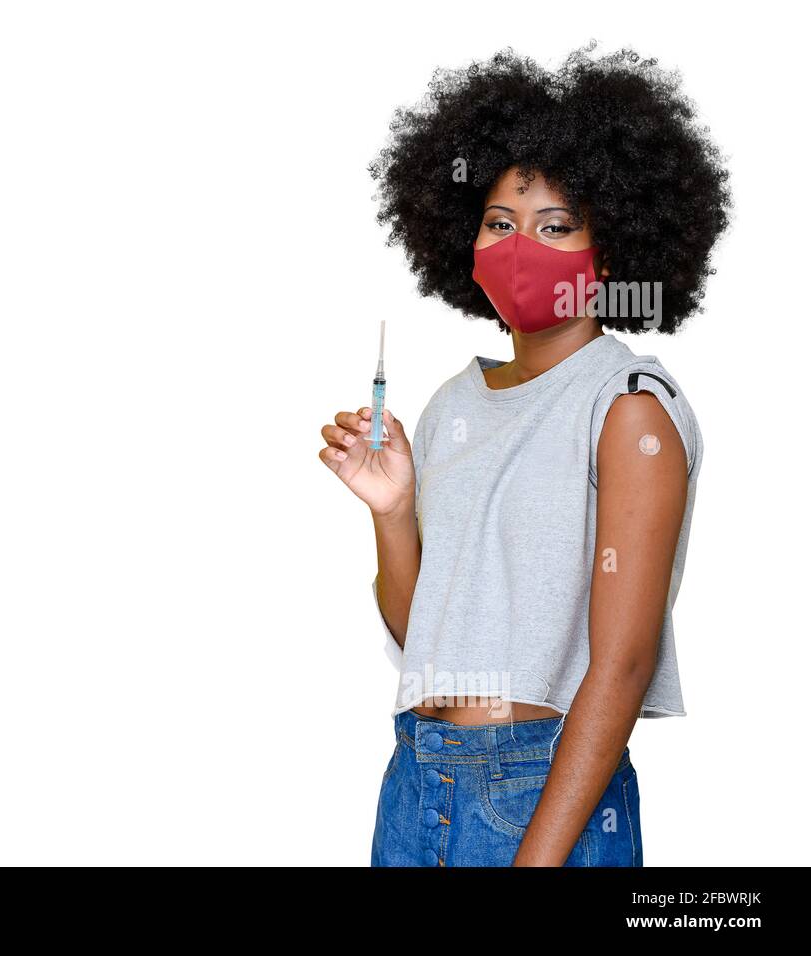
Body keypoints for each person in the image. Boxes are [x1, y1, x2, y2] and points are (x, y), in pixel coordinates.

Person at [320, 45, 730, 866]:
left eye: (556, 227)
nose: (521, 246)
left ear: (607, 256)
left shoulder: (629, 406)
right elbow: (421, 632)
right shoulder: (448, 407)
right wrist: (395, 511)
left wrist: (537, 858)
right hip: (414, 782)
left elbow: (622, 668)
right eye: (500, 224)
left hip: (543, 796)